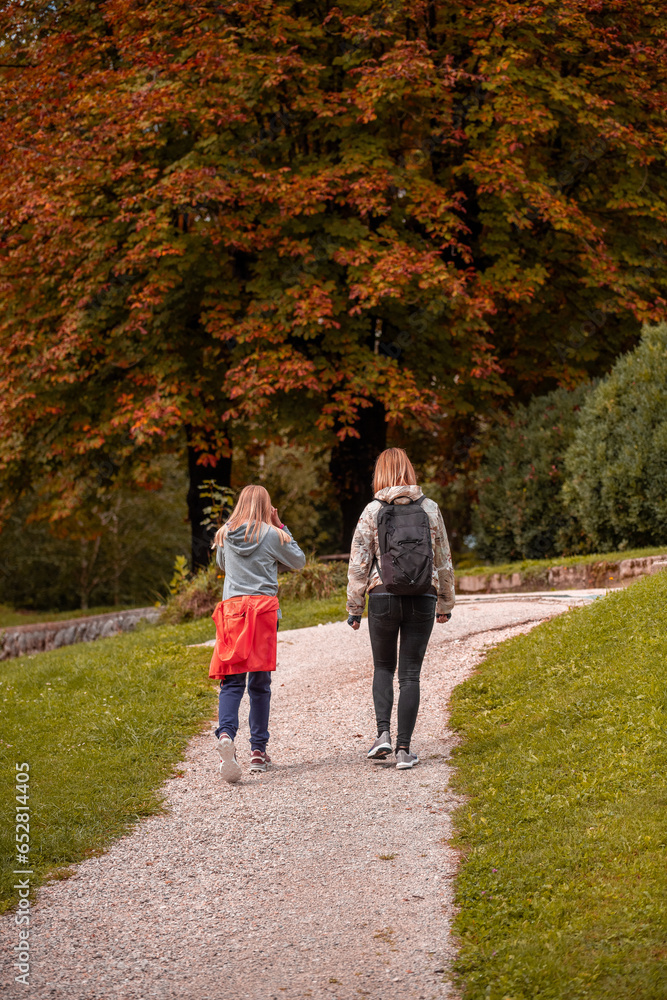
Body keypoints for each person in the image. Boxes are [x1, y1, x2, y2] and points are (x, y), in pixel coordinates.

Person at [346, 448, 455, 770]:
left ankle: (382, 736)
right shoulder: (430, 508)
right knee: (410, 674)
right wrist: (445, 602)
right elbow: (443, 558)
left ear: (379, 473)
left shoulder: (371, 510)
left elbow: (359, 563)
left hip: (382, 594)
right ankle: (405, 750)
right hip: (424, 594)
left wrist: (355, 607)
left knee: (383, 667)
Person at [209, 484, 305, 782]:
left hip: (234, 611)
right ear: (267, 506)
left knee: (232, 681)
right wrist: (280, 525)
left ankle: (226, 734)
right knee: (260, 684)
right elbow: (299, 561)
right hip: (263, 611)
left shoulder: (225, 533)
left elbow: (222, 565)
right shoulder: (272, 533)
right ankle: (258, 752)